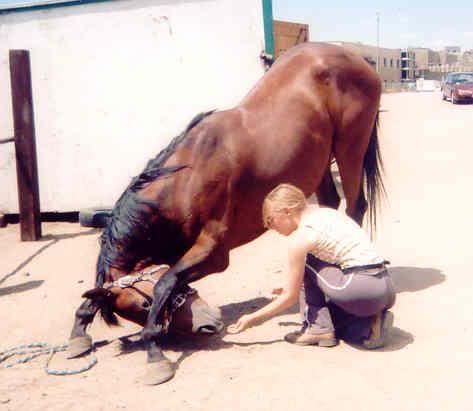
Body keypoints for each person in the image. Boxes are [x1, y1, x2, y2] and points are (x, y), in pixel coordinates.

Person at [227, 183, 395, 349]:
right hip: (385, 286)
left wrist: (252, 319)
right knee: (328, 315)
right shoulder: (325, 214)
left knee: (307, 264)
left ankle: (317, 329)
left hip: (361, 287)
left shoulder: (301, 237)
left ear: (287, 211)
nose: (269, 227)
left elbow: (289, 297)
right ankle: (368, 326)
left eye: (270, 220)